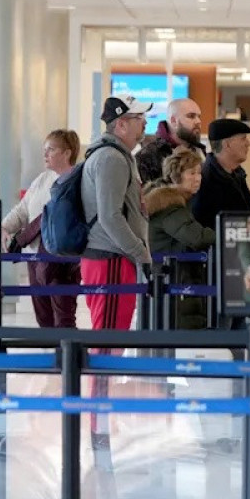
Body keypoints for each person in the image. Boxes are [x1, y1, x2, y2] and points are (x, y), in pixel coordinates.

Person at [81, 95, 152, 333]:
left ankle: (102, 373)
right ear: (121, 124)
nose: (145, 123)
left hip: (114, 257)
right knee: (108, 338)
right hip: (111, 259)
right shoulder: (111, 158)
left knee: (112, 335)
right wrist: (140, 253)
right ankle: (98, 373)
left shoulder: (117, 155)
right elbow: (110, 216)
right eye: (139, 118)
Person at [1, 129, 81, 328]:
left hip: (62, 257)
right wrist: (4, 227)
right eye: (44, 149)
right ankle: (50, 357)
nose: (45, 154)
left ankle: (67, 357)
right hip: (35, 256)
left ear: (67, 153)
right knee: (43, 316)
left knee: (63, 315)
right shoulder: (42, 179)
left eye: (51, 150)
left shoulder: (77, 181)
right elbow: (23, 209)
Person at [143, 148, 215, 329]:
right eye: (191, 173)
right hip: (173, 283)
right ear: (176, 176)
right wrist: (229, 233)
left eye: (199, 173)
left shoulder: (174, 203)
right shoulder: (171, 207)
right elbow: (197, 237)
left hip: (171, 281)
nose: (197, 178)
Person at [191, 119, 250, 230]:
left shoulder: (236, 174)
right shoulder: (206, 182)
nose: (248, 144)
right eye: (243, 139)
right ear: (227, 145)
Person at [135, 98, 205, 185]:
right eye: (191, 116)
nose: (198, 121)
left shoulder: (201, 151)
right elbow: (147, 196)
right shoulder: (147, 156)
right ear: (173, 121)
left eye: (199, 117)